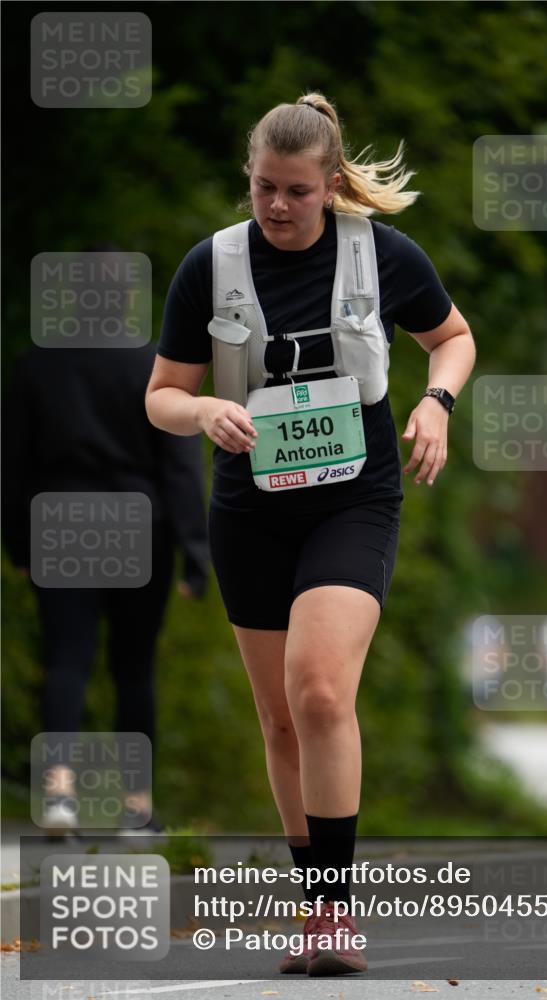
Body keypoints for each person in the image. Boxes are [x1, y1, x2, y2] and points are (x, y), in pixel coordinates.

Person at [146, 92, 476, 977]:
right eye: (262, 189)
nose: (277, 208)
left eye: (295, 191)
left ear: (331, 185)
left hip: (353, 499)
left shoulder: (382, 256)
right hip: (249, 508)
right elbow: (161, 395)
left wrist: (436, 404)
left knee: (320, 691)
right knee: (279, 717)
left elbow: (451, 338)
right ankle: (310, 909)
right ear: (247, 180)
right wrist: (207, 405)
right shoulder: (208, 268)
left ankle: (333, 913)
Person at [2, 338, 209, 835]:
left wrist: (19, 545)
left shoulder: (37, 365)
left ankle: (59, 794)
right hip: (142, 524)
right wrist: (196, 551)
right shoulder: (153, 365)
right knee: (134, 668)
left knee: (65, 659)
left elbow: (12, 461)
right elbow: (180, 463)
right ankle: (135, 807)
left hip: (61, 521)